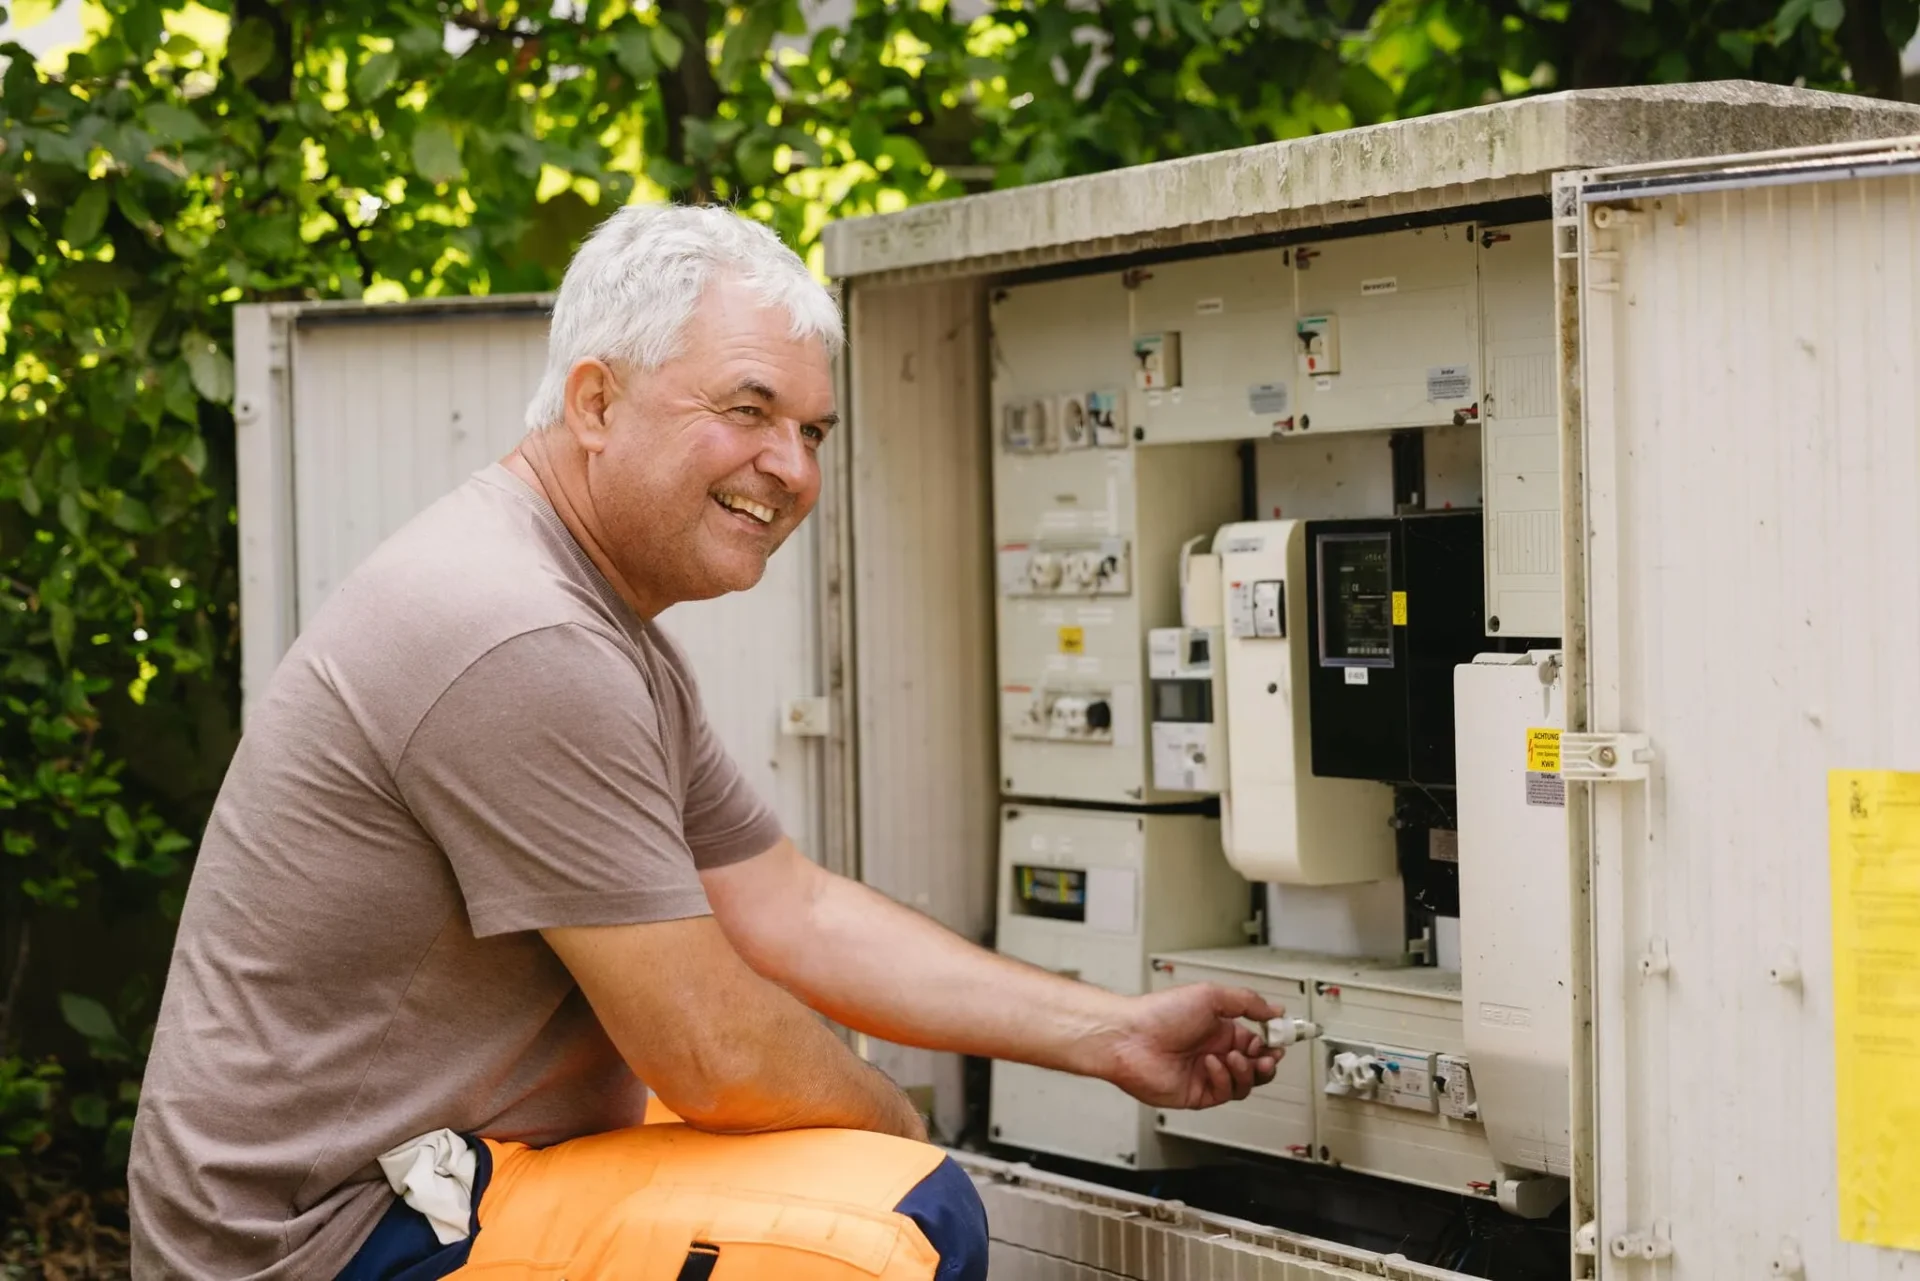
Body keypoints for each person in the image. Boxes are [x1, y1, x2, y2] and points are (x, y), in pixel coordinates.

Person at [127, 202, 1284, 1281]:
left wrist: (1109, 1033)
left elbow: (790, 908)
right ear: (595, 403)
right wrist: (896, 1124)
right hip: (325, 1238)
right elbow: (709, 1048)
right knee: (907, 1215)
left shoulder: (584, 613)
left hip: (430, 1171)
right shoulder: (522, 634)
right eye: (747, 411)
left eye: (812, 430)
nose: (794, 469)